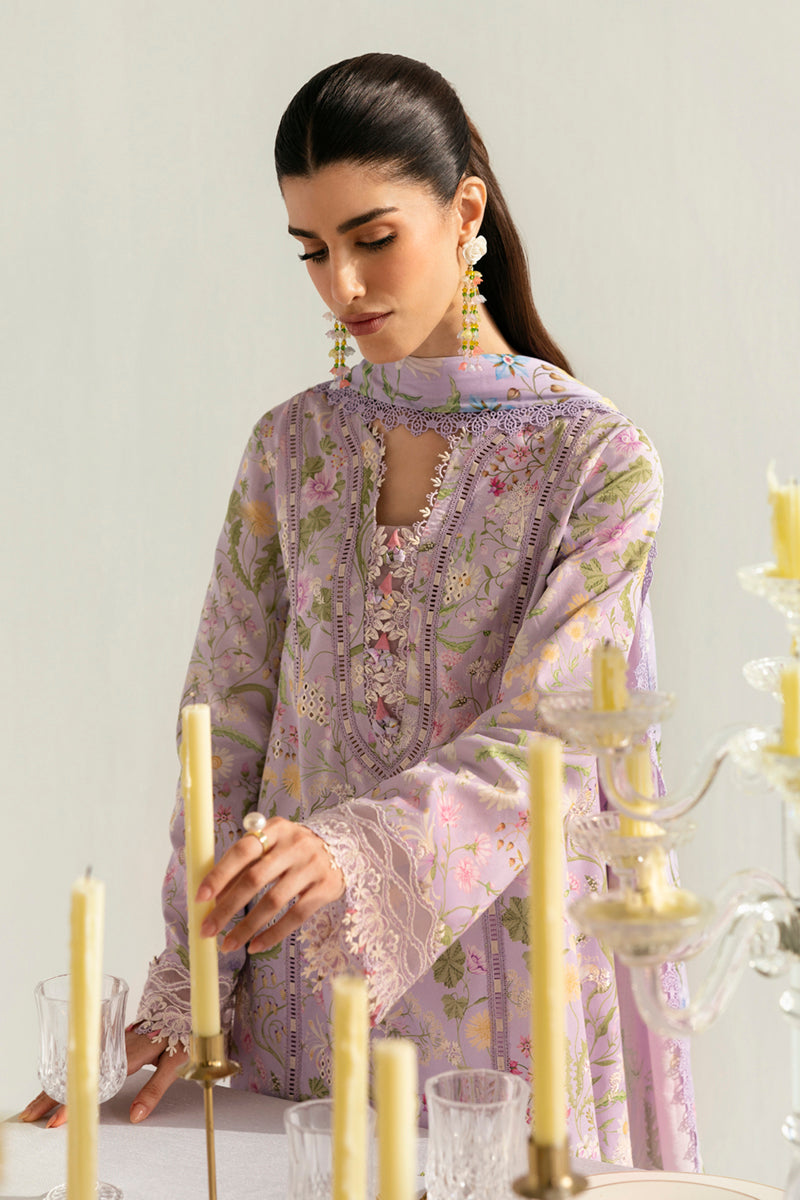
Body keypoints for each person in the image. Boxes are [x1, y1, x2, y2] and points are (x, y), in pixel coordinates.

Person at [23, 52, 700, 1169]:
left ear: (464, 213)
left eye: (372, 238)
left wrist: (349, 849)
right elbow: (221, 728)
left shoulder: (597, 462)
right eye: (311, 249)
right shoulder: (291, 446)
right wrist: (191, 984)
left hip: (504, 998)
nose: (342, 284)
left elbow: (553, 736)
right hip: (303, 999)